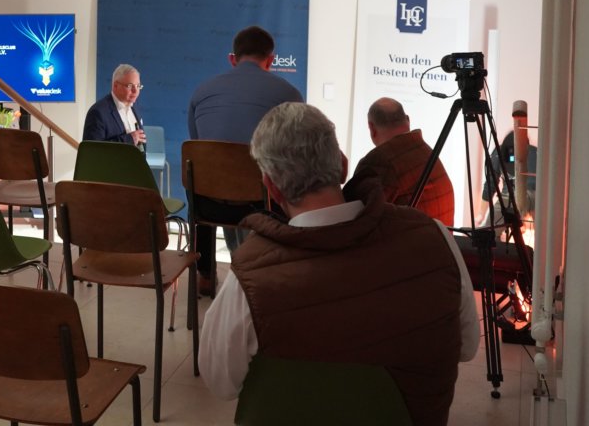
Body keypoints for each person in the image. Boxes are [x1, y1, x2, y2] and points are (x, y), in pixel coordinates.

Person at [199, 103, 479, 425]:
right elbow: (467, 347)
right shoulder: (436, 239)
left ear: (271, 188)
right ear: (343, 166)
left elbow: (221, 384)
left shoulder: (249, 279)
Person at [186, 26, 302, 295]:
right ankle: (265, 272)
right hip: (263, 205)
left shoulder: (201, 92)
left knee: (204, 178)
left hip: (209, 207)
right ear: (271, 60)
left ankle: (205, 273)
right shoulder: (289, 95)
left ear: (232, 59)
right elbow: (292, 154)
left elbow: (197, 146)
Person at [344, 97, 455, 226]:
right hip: (439, 238)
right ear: (408, 120)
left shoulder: (379, 161)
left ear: (372, 128)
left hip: (411, 239)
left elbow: (353, 223)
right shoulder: (426, 152)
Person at [82, 64, 145, 146]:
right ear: (115, 86)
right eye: (130, 86)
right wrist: (129, 140)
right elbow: (92, 149)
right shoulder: (98, 112)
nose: (135, 91)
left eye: (138, 86)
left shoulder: (134, 106)